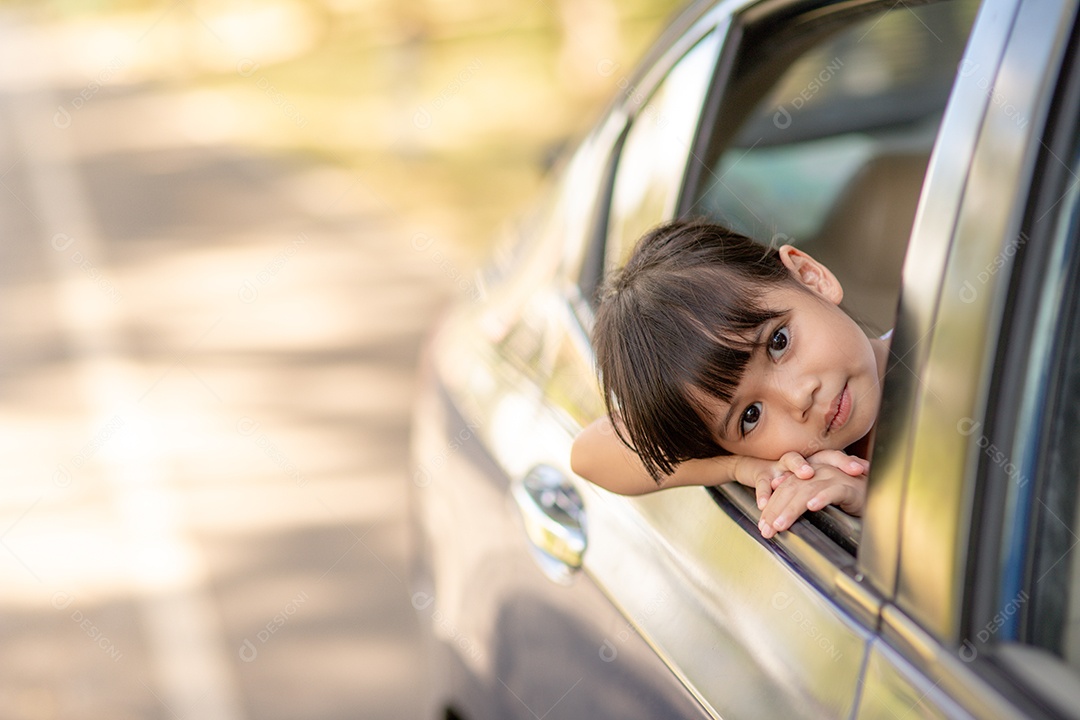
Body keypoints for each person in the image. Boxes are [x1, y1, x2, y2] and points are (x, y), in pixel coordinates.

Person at [570, 219, 891, 539]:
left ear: (810, 277)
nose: (798, 398)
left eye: (778, 342)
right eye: (751, 417)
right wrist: (737, 466)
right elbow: (588, 454)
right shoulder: (817, 476)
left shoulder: (938, 352)